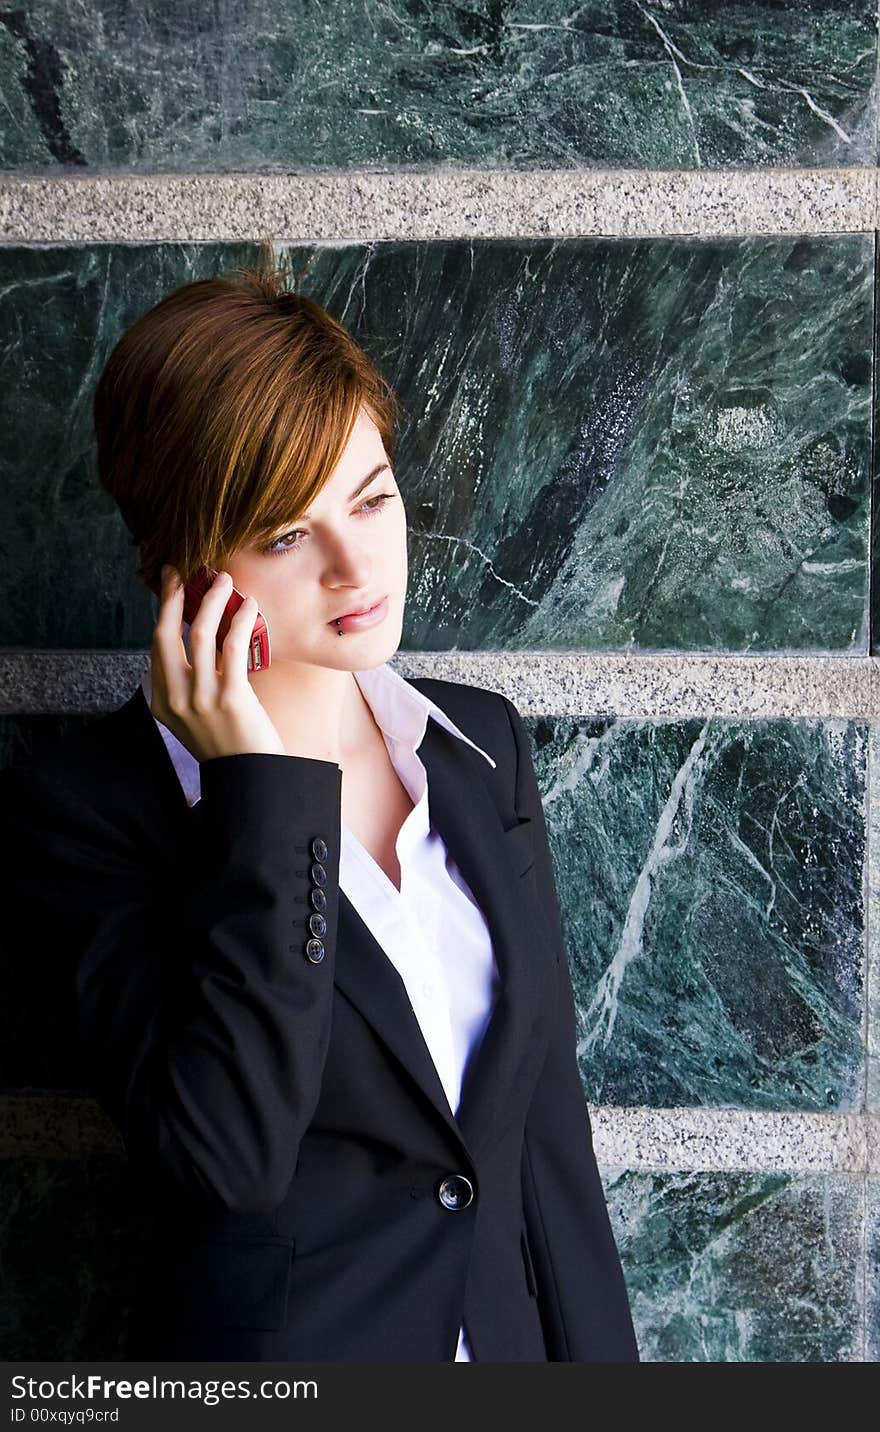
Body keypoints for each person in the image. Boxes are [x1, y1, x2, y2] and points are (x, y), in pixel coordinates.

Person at [0, 244, 639, 1363]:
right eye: (288, 534)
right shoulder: (88, 811)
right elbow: (230, 1157)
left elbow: (546, 1139)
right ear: (181, 566)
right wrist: (265, 795)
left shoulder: (477, 744)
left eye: (374, 495)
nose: (358, 564)